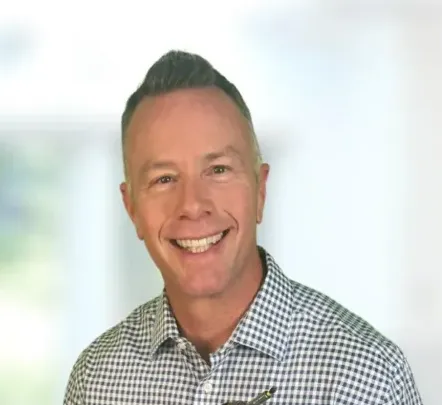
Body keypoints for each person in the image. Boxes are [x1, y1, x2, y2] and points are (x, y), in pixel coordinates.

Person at [64, 50, 423, 405]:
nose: (192, 205)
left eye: (218, 170)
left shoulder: (368, 377)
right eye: (164, 179)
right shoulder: (96, 378)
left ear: (260, 190)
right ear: (131, 208)